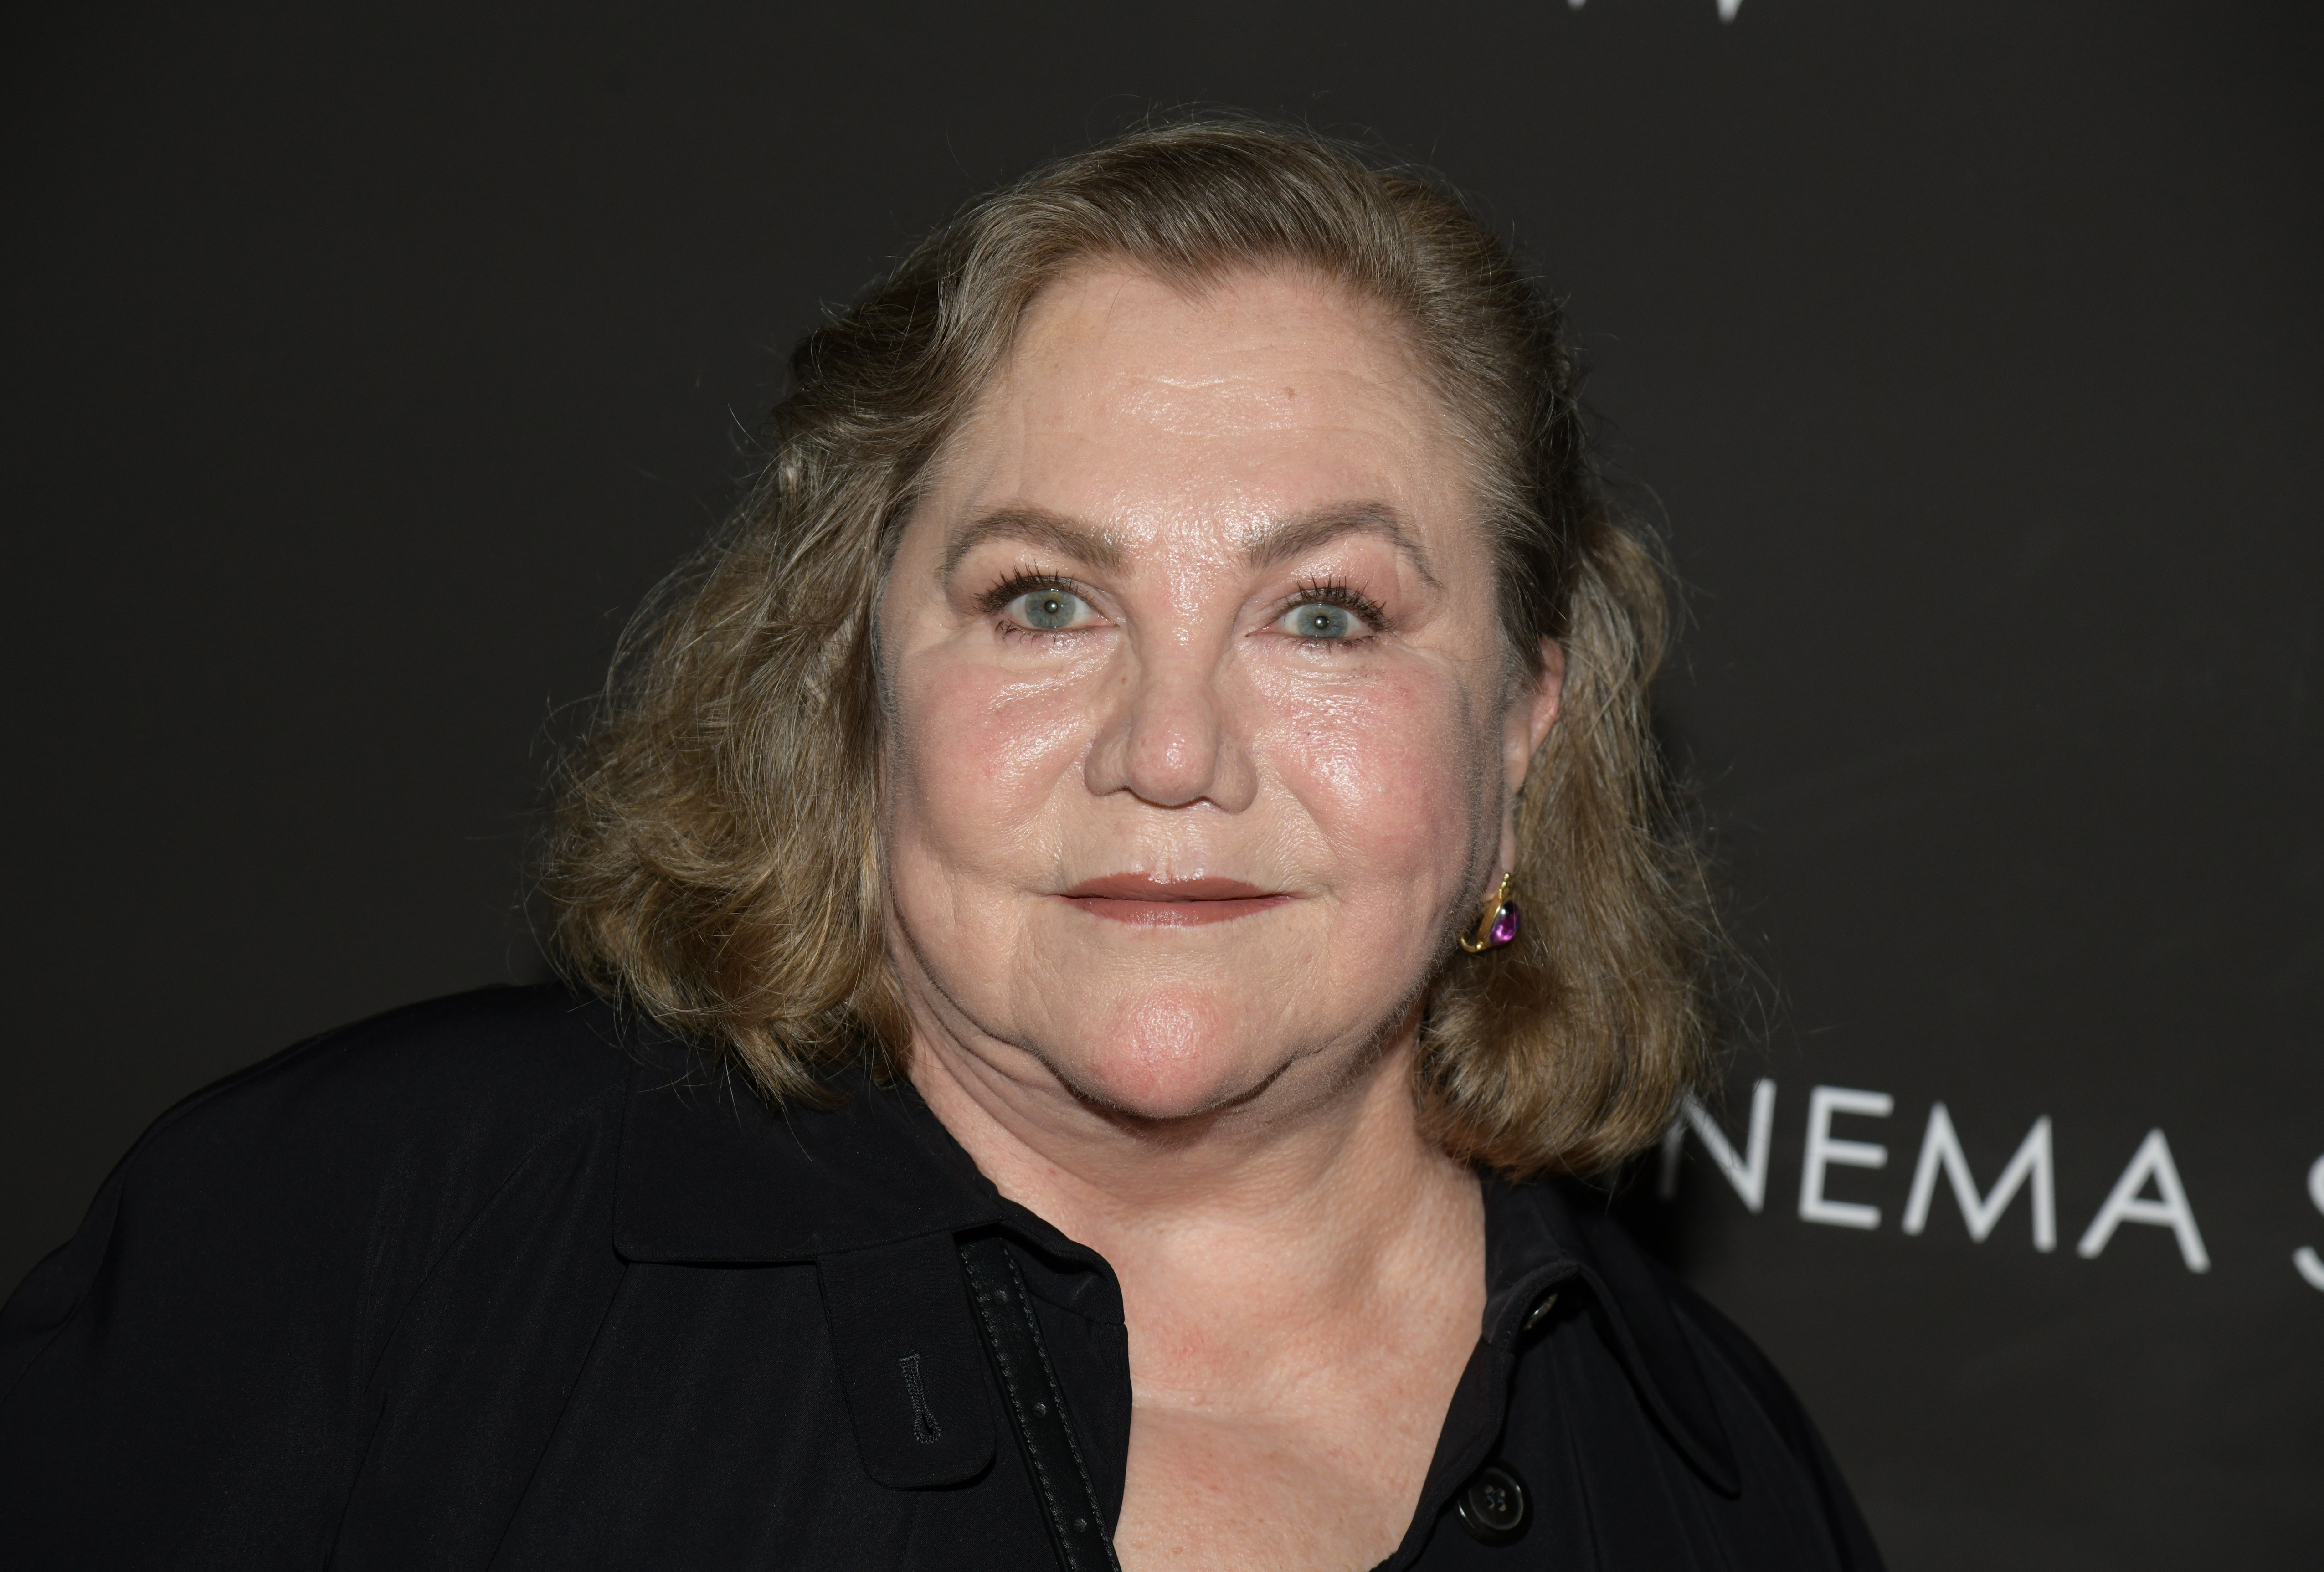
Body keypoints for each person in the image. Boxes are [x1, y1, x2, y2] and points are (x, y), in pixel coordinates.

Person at [0, 118, 1882, 1570]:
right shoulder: (374, 1242)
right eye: (1046, 598)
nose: (1170, 749)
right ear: (854, 666)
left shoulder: (1713, 1478)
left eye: (1325, 612)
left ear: (1524, 720)